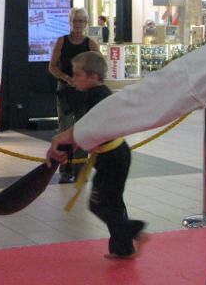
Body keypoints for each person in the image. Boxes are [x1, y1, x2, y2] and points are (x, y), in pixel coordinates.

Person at [46, 0, 206, 277]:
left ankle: (127, 235)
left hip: (113, 152)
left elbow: (145, 99)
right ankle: (124, 239)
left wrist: (74, 134)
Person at [71, 50, 146, 258]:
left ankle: (135, 230)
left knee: (98, 205)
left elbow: (94, 127)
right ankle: (123, 248)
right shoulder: (101, 93)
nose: (73, 79)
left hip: (111, 158)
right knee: (113, 204)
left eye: (77, 74)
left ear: (93, 77)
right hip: (116, 154)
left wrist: (77, 140)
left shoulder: (96, 96)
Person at [49, 7, 99, 183]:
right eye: (75, 21)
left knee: (83, 130)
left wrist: (88, 81)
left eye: (81, 21)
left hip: (84, 93)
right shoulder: (62, 41)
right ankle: (65, 170)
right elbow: (52, 66)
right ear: (70, 22)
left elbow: (99, 67)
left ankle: (80, 170)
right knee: (65, 130)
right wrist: (67, 78)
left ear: (86, 23)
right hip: (65, 91)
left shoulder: (90, 44)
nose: (78, 24)